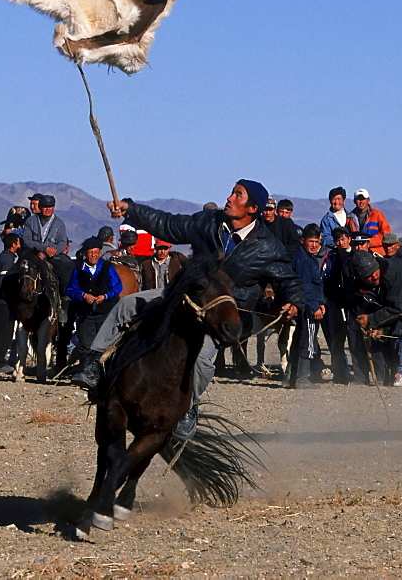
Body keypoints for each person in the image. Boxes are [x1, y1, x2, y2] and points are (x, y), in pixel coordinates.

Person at [87, 179, 304, 438]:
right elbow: (169, 224)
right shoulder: (207, 222)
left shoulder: (268, 246)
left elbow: (288, 279)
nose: (229, 198)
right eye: (232, 192)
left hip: (221, 315)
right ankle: (91, 364)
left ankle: (188, 409)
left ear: (253, 209)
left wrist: (295, 301)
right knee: (127, 304)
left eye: (238, 195)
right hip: (186, 299)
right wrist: (130, 210)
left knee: (201, 358)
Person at [350, 250, 402, 387]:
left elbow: (399, 307)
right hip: (394, 309)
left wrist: (371, 320)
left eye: (374, 271)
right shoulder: (359, 285)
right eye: (367, 275)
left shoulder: (395, 274)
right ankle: (384, 376)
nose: (373, 276)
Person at [67, 236, 123, 366]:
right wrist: (83, 295)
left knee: (106, 344)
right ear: (85, 253)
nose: (94, 255)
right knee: (86, 345)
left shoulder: (107, 268)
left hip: (105, 313)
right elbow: (71, 290)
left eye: (96, 252)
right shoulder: (78, 269)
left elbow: (117, 286)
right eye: (91, 252)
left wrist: (106, 296)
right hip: (86, 315)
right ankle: (86, 371)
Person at [288, 224, 326, 388]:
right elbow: (306, 287)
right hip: (307, 307)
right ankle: (302, 379)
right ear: (303, 240)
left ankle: (290, 377)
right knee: (308, 341)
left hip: (309, 304)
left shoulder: (307, 257)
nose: (314, 245)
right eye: (311, 241)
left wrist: (321, 302)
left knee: (300, 338)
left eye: (316, 241)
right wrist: (314, 306)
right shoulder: (303, 259)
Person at [321, 226, 354, 383]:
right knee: (337, 339)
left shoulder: (356, 256)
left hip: (353, 303)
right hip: (335, 303)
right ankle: (341, 373)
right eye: (338, 240)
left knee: (355, 339)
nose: (341, 242)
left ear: (349, 239)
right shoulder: (332, 257)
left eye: (343, 239)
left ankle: (360, 373)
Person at [0, 233, 20, 374]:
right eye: (18, 243)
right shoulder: (7, 259)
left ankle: (0, 360)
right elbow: (4, 281)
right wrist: (11, 297)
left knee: (1, 331)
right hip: (4, 303)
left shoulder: (3, 257)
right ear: (14, 244)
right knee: (4, 332)